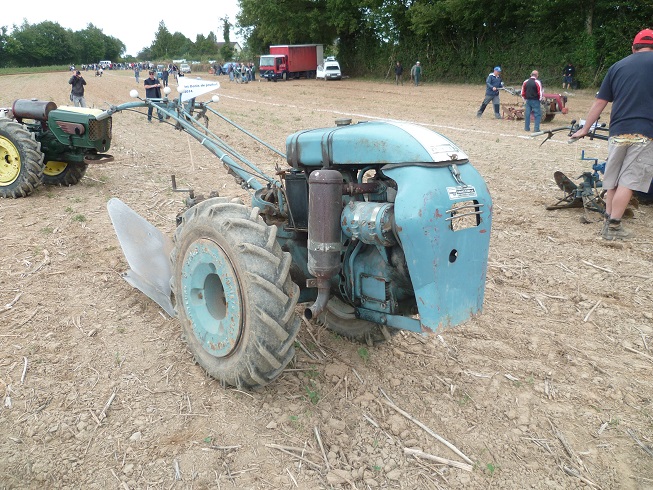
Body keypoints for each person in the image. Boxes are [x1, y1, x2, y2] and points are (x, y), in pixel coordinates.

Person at [571, 29, 653, 240]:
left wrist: (585, 128)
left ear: (633, 48)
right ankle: (614, 226)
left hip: (617, 131)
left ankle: (608, 219)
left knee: (613, 179)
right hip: (645, 131)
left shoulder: (617, 66)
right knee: (630, 181)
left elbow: (600, 102)